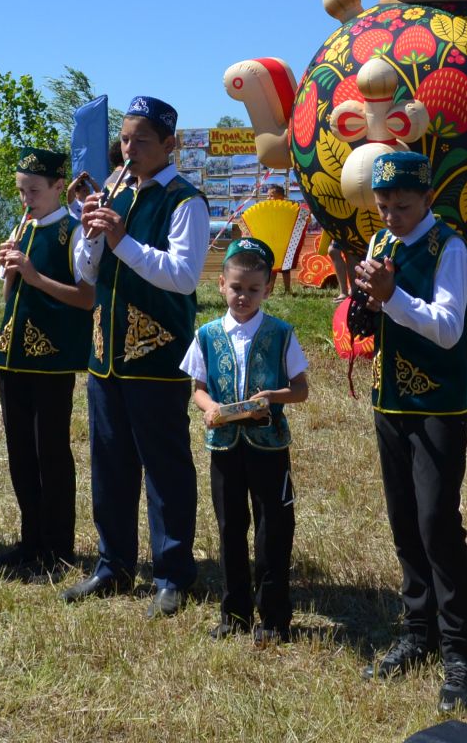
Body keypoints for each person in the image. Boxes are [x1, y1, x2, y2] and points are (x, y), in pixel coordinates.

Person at [62, 95, 212, 618]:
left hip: (157, 352)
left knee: (164, 466)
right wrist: (90, 233)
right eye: (124, 139)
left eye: (141, 140)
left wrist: (121, 240)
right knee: (110, 463)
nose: (129, 149)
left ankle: (172, 573)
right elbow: (86, 274)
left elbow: (184, 276)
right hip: (106, 353)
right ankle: (113, 564)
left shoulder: (186, 201)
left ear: (170, 145)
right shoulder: (116, 191)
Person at [352, 151, 467, 712]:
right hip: (391, 399)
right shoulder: (382, 245)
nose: (390, 217)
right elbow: (382, 311)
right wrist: (362, 307)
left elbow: (448, 329)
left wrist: (391, 298)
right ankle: (417, 630)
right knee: (404, 517)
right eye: (382, 207)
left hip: (438, 405)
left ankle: (462, 656)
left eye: (402, 206)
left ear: (427, 198)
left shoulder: (448, 248)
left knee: (436, 523)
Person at [183, 237, 309, 645]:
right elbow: (197, 387)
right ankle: (233, 612)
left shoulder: (281, 333)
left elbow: (301, 389)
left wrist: (271, 397)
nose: (243, 297)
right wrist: (210, 407)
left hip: (269, 446)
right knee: (229, 527)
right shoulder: (206, 334)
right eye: (237, 288)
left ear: (268, 290)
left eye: (254, 290)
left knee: (273, 528)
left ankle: (273, 617)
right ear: (221, 285)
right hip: (224, 445)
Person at [0, 147, 94, 578]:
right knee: (20, 454)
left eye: (34, 190)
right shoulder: (24, 226)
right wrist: (11, 271)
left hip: (51, 358)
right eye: (20, 191)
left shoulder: (73, 233)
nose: (26, 198)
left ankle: (58, 548)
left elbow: (86, 299)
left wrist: (32, 275)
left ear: (57, 186)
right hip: (11, 356)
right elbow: (9, 297)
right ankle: (30, 539)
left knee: (49, 452)